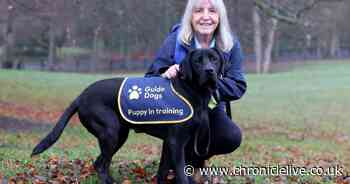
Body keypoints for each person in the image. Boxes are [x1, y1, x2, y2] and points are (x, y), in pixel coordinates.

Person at [145, 0, 247, 181]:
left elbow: (238, 85)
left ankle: (190, 162)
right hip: (175, 109)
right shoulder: (175, 40)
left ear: (220, 17)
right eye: (199, 11)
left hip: (211, 108)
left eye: (212, 11)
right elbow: (151, 77)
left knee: (230, 136)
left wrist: (207, 82)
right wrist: (165, 73)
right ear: (190, 16)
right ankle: (178, 168)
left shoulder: (230, 44)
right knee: (183, 127)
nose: (206, 16)